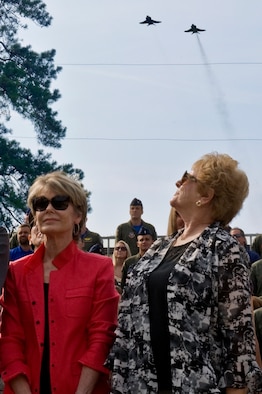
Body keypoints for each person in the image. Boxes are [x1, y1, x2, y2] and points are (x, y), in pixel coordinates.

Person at [110, 152, 262, 393]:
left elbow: (239, 343)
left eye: (186, 177)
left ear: (206, 195)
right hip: (139, 384)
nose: (178, 183)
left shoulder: (224, 248)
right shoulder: (159, 248)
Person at [0, 171, 119, 394]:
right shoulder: (15, 272)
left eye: (60, 202)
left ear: (78, 215)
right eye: (40, 203)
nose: (49, 209)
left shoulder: (99, 268)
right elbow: (9, 340)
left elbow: (101, 338)